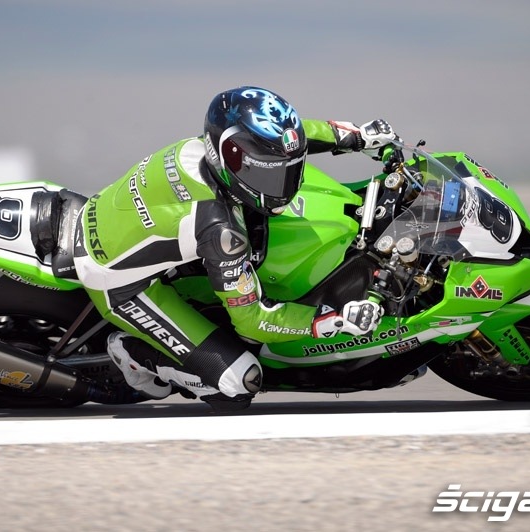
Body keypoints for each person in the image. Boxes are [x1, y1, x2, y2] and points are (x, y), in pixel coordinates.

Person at [73, 86, 399, 411]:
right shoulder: (220, 229)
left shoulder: (203, 147)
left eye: (288, 170)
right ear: (227, 156)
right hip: (118, 284)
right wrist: (332, 321)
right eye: (267, 173)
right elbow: (253, 321)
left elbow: (289, 138)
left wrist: (355, 135)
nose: (283, 187)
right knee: (239, 383)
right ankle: (132, 351)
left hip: (103, 214)